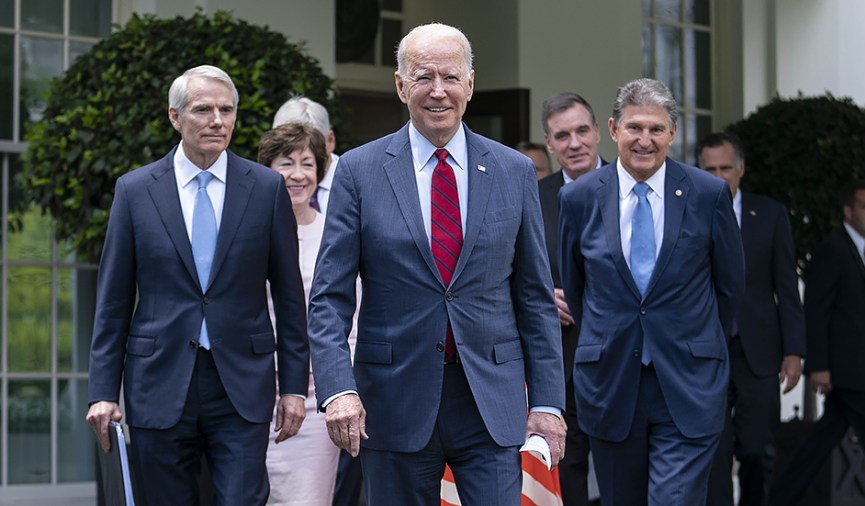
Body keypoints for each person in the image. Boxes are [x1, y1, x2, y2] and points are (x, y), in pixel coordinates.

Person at [306, 22, 567, 505]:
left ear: (470, 83)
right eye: (423, 77)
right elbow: (328, 298)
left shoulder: (513, 171)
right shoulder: (359, 172)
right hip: (391, 401)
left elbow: (534, 296)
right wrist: (338, 390)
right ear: (401, 86)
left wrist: (548, 402)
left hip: (490, 400)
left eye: (450, 77)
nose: (438, 91)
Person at [86, 65, 309, 505]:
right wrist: (102, 392)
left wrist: (295, 388)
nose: (217, 121)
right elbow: (112, 302)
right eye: (204, 110)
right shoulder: (135, 191)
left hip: (242, 383)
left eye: (226, 110)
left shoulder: (265, 189)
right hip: (158, 383)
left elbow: (289, 298)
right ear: (175, 117)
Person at [558, 78, 745, 505]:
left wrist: (695, 338)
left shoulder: (707, 193)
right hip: (611, 383)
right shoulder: (581, 198)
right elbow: (578, 286)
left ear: (673, 134)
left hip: (687, 382)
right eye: (634, 127)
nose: (645, 140)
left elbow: (730, 287)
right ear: (613, 129)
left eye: (656, 129)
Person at [769, 181, 865, 505]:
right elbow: (816, 311)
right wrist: (819, 367)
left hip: (860, 372)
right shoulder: (833, 249)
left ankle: (778, 499)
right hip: (850, 374)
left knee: (818, 447)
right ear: (848, 211)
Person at [697, 132, 805, 506]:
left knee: (757, 448)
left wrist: (794, 350)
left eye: (725, 168)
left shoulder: (770, 213)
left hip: (757, 350)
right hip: (705, 350)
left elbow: (786, 287)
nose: (718, 176)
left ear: (741, 169)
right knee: (714, 449)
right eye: (709, 169)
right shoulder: (689, 212)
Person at [258, 123, 351, 506]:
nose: (298, 174)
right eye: (286, 163)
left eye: (308, 164)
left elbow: (352, 316)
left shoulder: (337, 233)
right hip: (253, 389)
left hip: (316, 395)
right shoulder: (250, 231)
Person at [538, 91, 604, 506]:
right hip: (559, 365)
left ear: (600, 132)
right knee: (569, 480)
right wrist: (543, 300)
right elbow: (506, 271)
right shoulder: (532, 194)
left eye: (582, 131)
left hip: (624, 362)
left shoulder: (631, 188)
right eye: (562, 136)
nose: (574, 143)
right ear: (549, 144)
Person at [273, 97, 340, 214]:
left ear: (330, 140)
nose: (298, 175)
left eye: (313, 146)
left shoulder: (354, 182)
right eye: (288, 150)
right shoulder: (263, 182)